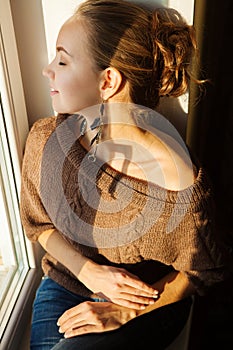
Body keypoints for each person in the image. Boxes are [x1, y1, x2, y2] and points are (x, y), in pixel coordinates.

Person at [20, 0, 232, 349]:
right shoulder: (47, 141)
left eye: (62, 60)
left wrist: (122, 311)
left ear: (108, 81)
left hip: (147, 302)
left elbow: (203, 272)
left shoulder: (175, 180)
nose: (47, 71)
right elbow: (38, 226)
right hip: (65, 284)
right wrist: (86, 270)